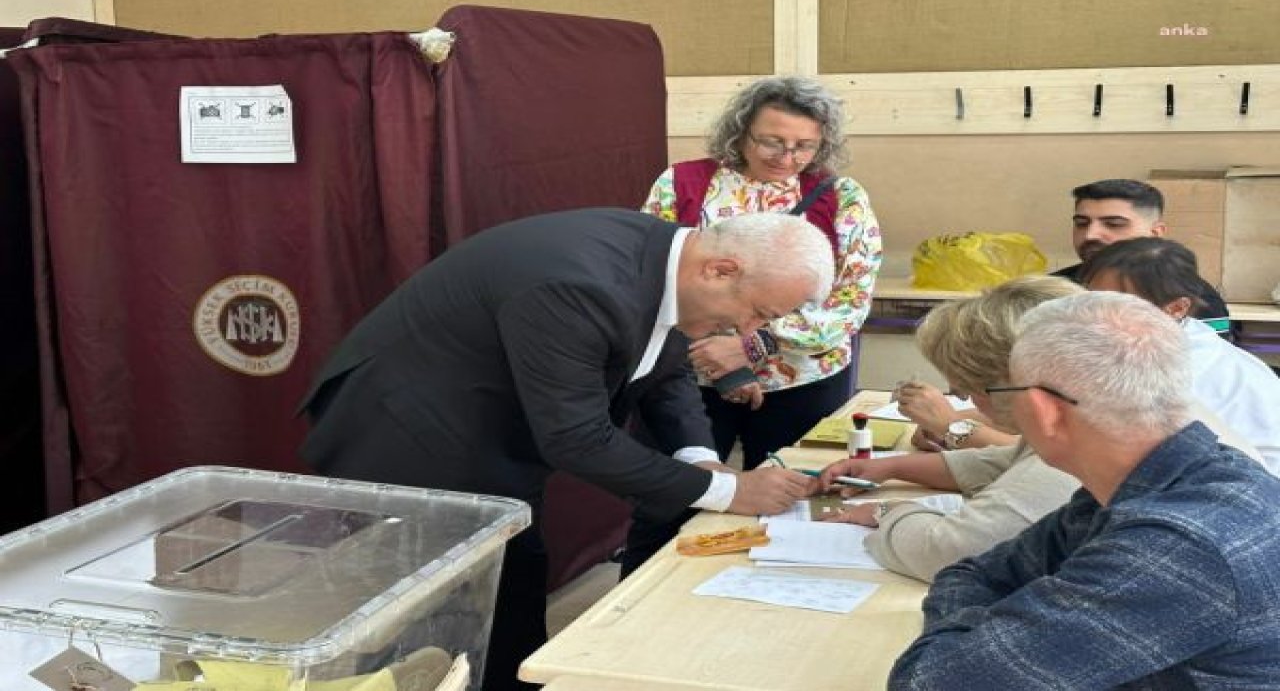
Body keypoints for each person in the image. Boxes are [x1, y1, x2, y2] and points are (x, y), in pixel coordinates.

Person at [298, 209, 827, 691]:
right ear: (720, 270)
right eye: (757, 312)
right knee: (428, 630)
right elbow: (577, 438)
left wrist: (699, 458)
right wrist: (727, 489)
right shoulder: (580, 284)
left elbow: (664, 365)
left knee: (511, 603)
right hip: (408, 441)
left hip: (486, 434)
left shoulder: (669, 261)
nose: (750, 332)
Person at [889, 292, 1280, 689]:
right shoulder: (1163, 480)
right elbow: (972, 571)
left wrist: (985, 635)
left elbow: (929, 682)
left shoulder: (1179, 547)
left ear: (1045, 412)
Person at [640, 75, 882, 470]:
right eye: (771, 141)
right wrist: (718, 364)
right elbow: (654, 278)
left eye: (804, 146)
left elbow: (850, 302)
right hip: (692, 378)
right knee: (675, 502)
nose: (786, 158)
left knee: (791, 497)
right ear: (740, 131)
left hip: (802, 381)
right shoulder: (682, 183)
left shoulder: (843, 195)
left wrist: (751, 347)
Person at [816, 276, 1083, 581]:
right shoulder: (1079, 423)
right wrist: (891, 467)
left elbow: (946, 553)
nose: (970, 400)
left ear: (1013, 383)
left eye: (972, 389)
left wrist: (887, 513)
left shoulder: (1071, 458)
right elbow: (1002, 462)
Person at [1081, 237, 1280, 469]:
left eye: (1117, 305)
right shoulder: (1176, 334)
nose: (1093, 315)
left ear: (1177, 308)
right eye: (1090, 299)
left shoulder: (1178, 366)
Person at [1053, 178, 1231, 337]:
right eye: (1081, 224)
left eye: (1113, 224)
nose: (1091, 235)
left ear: (1155, 233)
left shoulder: (1196, 298)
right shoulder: (1053, 287)